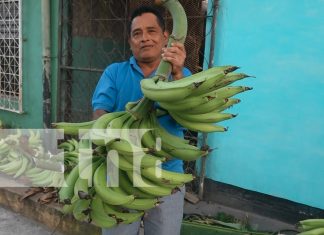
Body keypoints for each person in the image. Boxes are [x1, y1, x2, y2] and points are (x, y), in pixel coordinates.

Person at [92, 5, 191, 235]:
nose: (144, 38)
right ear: (130, 41)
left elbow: (185, 121)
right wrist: (116, 133)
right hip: (121, 174)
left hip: (166, 176)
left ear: (166, 37)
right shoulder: (114, 72)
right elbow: (99, 112)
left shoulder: (183, 76)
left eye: (151, 31)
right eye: (137, 33)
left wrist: (176, 76)